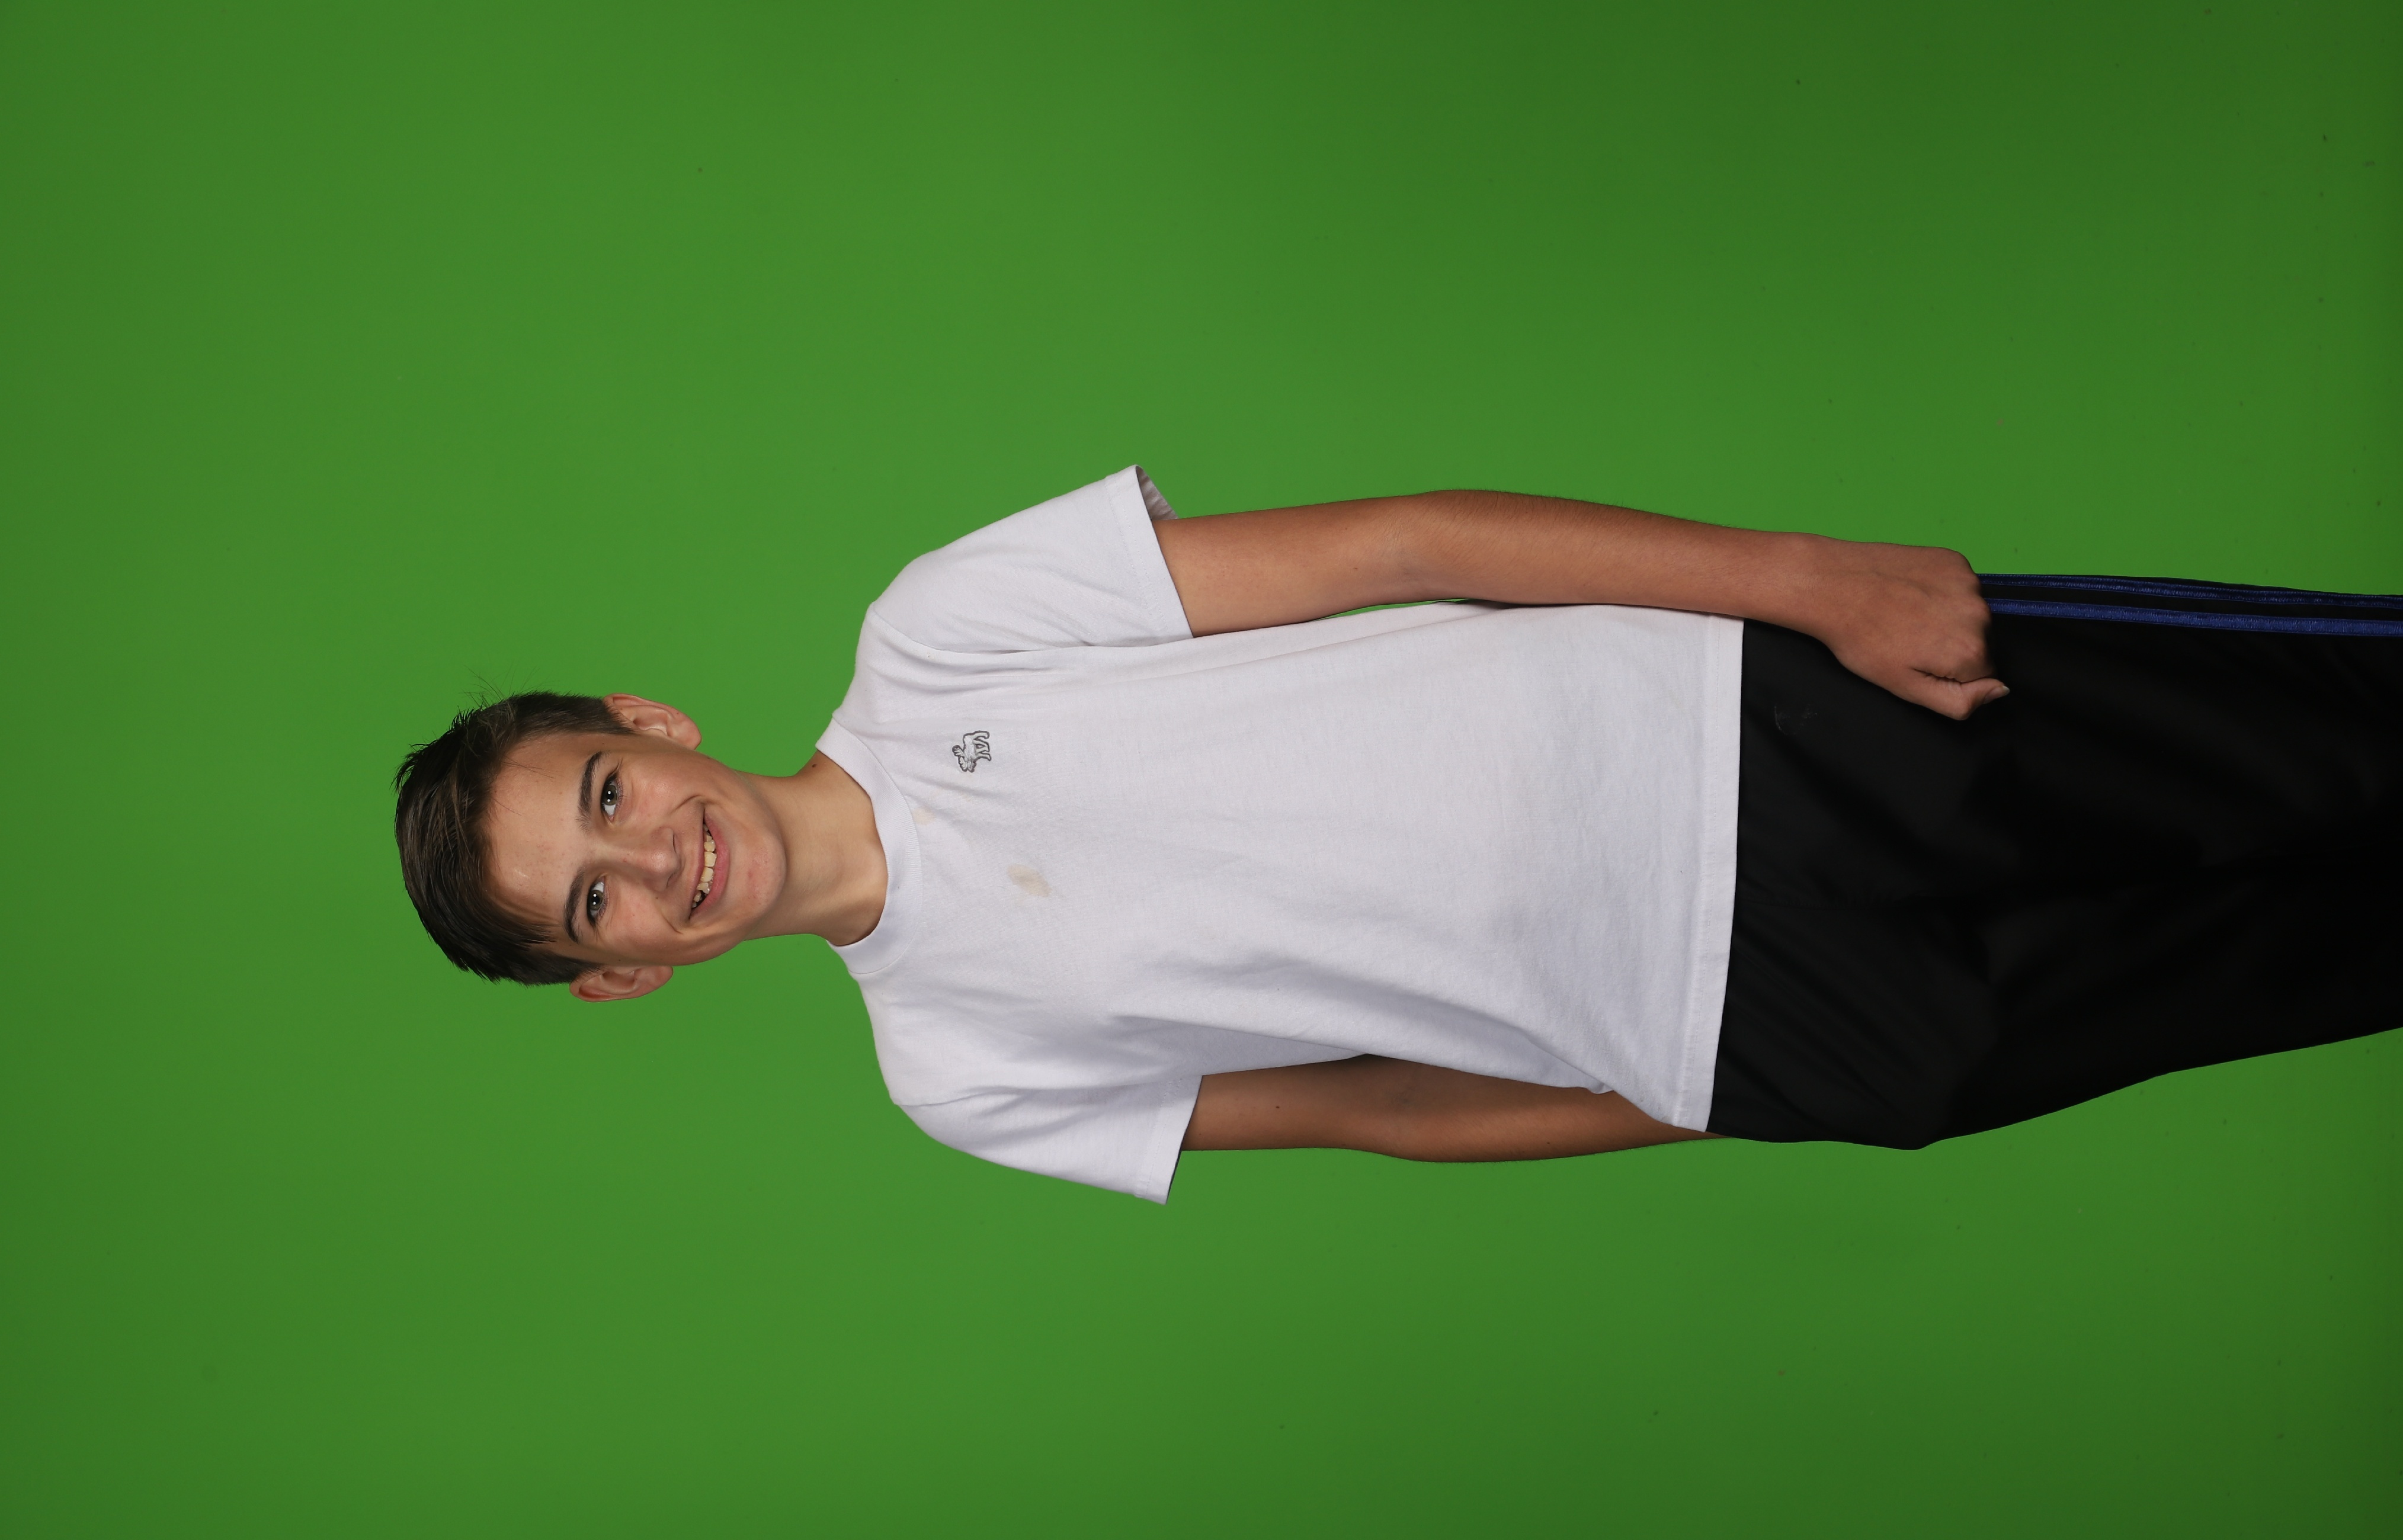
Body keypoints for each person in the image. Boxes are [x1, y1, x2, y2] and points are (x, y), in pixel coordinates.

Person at [393, 467, 2403, 1201]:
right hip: (1776, 1026)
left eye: (606, 798)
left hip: (1754, 730)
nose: (652, 857)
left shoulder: (935, 633)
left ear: (645, 726)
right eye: (597, 903)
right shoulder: (959, 1075)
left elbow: (1401, 544)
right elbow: (1384, 1111)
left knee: (2347, 730)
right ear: (620, 976)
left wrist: (1803, 582)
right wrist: (1708, 1093)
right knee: (2347, 949)